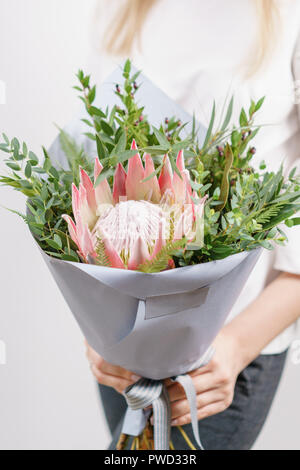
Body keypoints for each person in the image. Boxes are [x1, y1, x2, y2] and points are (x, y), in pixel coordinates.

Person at [86, 0, 300, 450]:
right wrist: (98, 329)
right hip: (124, 347)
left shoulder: (287, 16)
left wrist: (236, 347)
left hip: (226, 357)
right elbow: (97, 182)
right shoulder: (119, 11)